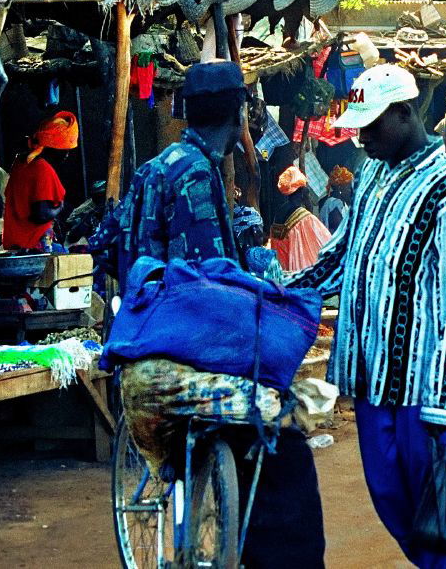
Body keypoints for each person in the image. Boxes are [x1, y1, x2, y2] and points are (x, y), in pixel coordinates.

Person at [91, 60, 325, 568]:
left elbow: (107, 243)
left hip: (140, 331)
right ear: (240, 112)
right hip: (183, 338)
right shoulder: (197, 172)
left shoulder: (159, 165)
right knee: (280, 432)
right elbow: (209, 276)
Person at [290, 64, 446, 569]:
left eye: (371, 125)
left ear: (406, 114)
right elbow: (339, 257)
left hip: (424, 391)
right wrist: (280, 292)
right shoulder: (372, 175)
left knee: (437, 523)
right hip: (370, 377)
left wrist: (443, 405)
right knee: (395, 507)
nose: (362, 138)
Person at [2, 111, 79, 250]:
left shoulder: (20, 163)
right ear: (55, 148)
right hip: (33, 244)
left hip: (14, 241)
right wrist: (60, 207)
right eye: (65, 150)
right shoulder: (42, 168)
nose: (67, 155)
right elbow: (41, 214)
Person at [269, 165, 332, 273]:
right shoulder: (305, 218)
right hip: (298, 272)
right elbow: (326, 244)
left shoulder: (280, 212)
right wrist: (309, 207)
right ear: (303, 191)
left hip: (282, 273)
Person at [233, 204, 284, 285]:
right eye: (261, 227)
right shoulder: (265, 256)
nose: (262, 233)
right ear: (255, 230)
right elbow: (279, 287)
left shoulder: (232, 255)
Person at [318, 164, 354, 232]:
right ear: (340, 188)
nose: (351, 191)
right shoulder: (334, 204)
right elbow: (340, 230)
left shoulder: (342, 203)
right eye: (349, 187)